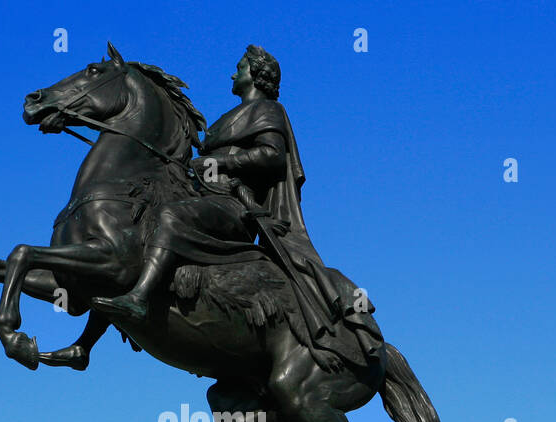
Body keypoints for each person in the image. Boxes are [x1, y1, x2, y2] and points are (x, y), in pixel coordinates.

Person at [92, 45, 381, 369]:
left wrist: (220, 161)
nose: (234, 73)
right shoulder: (226, 118)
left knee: (170, 216)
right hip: (207, 199)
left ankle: (140, 297)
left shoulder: (268, 110)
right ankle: (85, 343)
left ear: (257, 74)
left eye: (240, 67)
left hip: (234, 207)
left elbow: (271, 156)